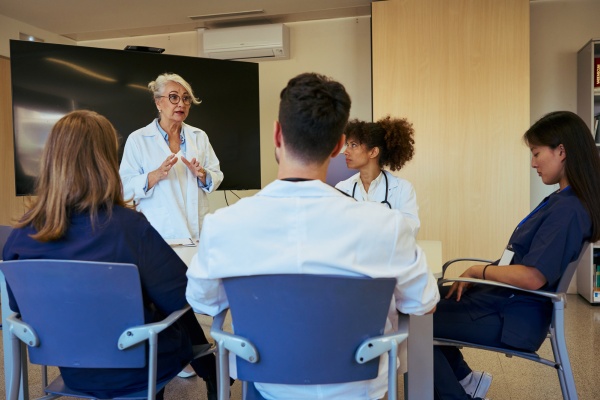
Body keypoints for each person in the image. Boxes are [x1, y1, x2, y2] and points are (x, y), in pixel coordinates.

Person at [185, 72, 440, 400]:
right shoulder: (387, 226)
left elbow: (202, 301)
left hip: (267, 384)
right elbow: (423, 303)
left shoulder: (224, 224)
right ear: (336, 146)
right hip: (360, 388)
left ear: (277, 134)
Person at [2, 110, 219, 400]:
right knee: (164, 305)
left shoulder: (21, 234)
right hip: (140, 367)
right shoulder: (129, 227)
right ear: (106, 161)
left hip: (71, 369)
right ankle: (212, 371)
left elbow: (20, 306)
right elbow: (182, 296)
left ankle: (211, 371)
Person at [433, 110, 600, 400]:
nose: (533, 163)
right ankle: (465, 381)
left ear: (561, 152)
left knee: (414, 320)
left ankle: (460, 388)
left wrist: (477, 271)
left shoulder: (568, 210)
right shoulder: (562, 201)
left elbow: (532, 277)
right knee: (425, 300)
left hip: (510, 317)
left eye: (536, 153)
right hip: (503, 303)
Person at [119, 72, 223, 240]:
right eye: (174, 97)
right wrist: (155, 175)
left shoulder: (199, 136)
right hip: (158, 232)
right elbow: (124, 187)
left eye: (186, 98)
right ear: (158, 102)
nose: (181, 104)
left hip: (197, 231)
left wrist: (203, 174)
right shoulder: (138, 139)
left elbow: (216, 175)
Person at [335, 116, 420, 235]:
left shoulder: (402, 189)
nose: (345, 152)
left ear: (373, 152)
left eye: (353, 145)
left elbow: (410, 229)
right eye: (347, 145)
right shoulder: (342, 188)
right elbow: (337, 229)